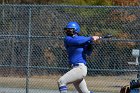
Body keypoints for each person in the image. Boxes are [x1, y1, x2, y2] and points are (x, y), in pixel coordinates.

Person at [58, 21, 100, 93]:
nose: (67, 31)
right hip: (75, 68)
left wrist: (91, 44)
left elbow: (88, 53)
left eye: (70, 29)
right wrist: (90, 38)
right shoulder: (68, 39)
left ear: (76, 30)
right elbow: (77, 41)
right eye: (67, 29)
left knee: (61, 81)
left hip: (80, 68)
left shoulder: (83, 40)